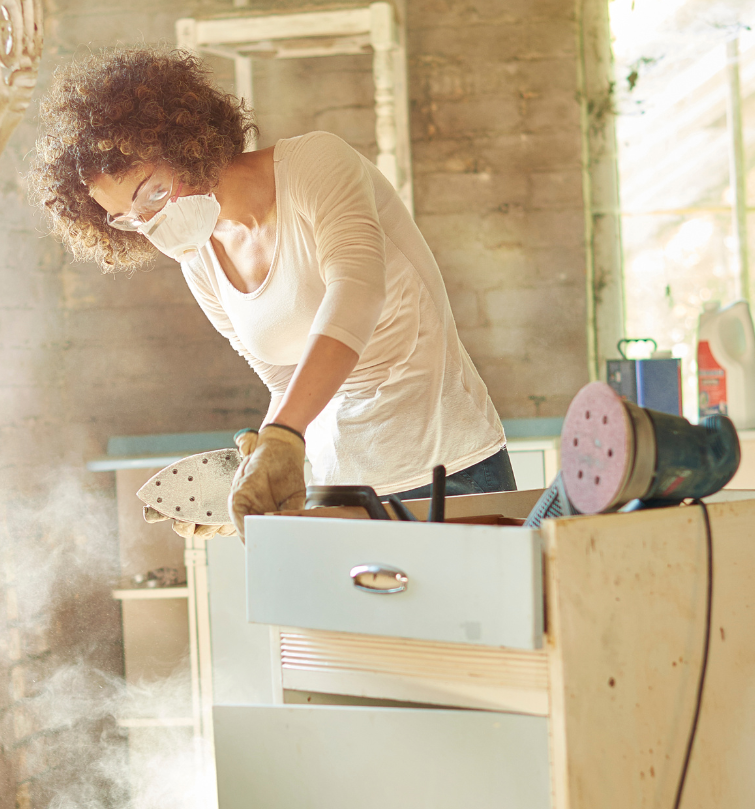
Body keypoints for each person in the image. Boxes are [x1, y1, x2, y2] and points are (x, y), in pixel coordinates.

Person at [29, 48, 512, 534]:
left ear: (184, 143)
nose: (152, 224)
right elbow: (284, 381)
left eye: (151, 193)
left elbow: (358, 292)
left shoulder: (315, 165)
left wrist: (281, 437)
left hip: (448, 471)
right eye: (130, 219)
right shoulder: (198, 259)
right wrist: (258, 477)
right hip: (336, 491)